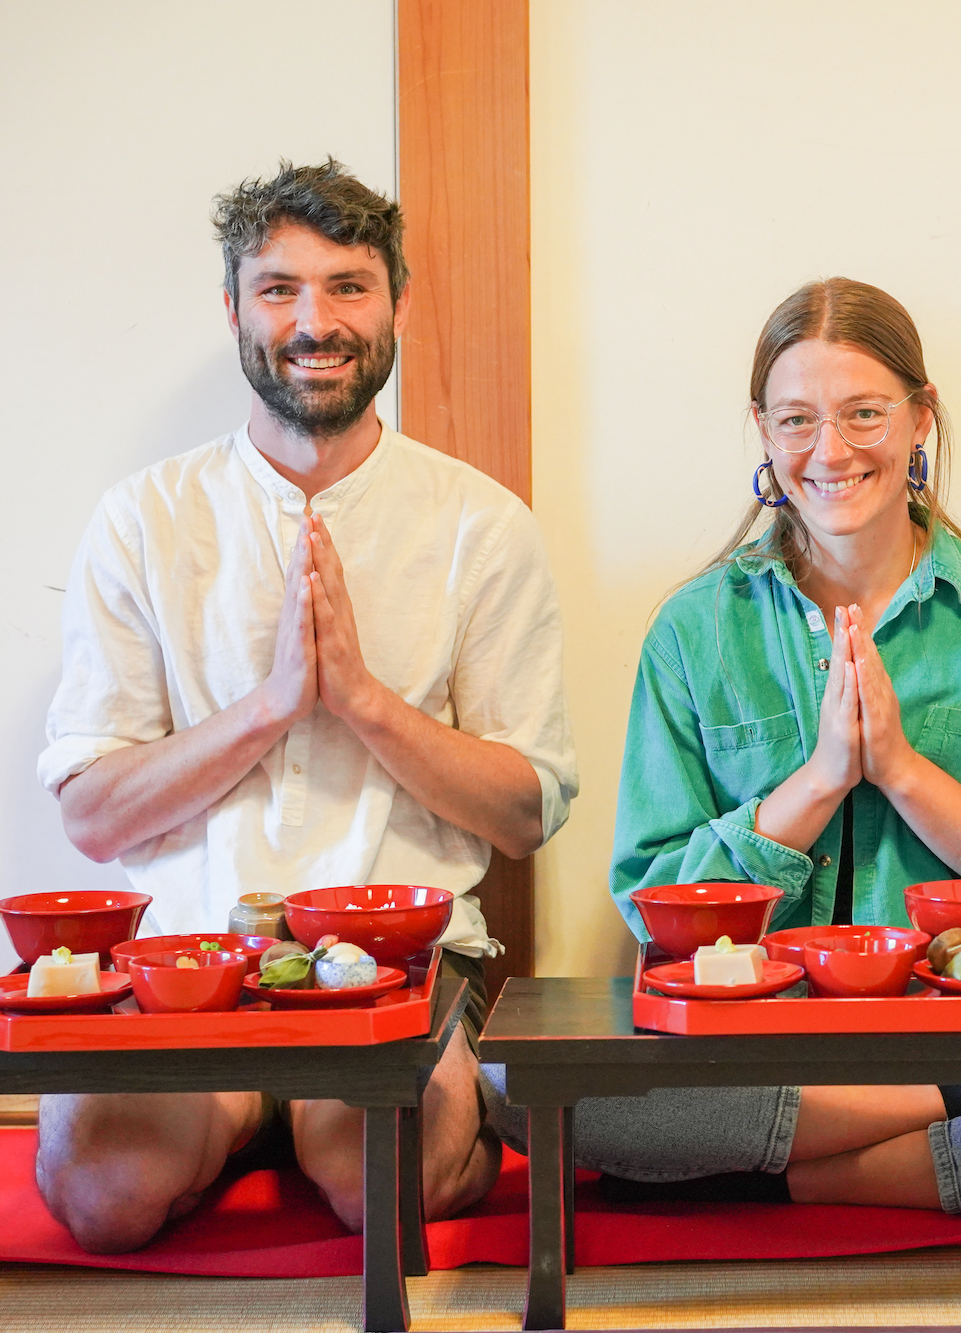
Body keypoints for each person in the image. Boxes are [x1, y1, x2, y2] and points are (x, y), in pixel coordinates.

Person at [489, 279, 961, 1215]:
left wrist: (899, 767)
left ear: (920, 420)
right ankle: (927, 1134)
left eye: (864, 413)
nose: (832, 449)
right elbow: (656, 904)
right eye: (798, 419)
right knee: (512, 1086)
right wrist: (816, 784)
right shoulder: (694, 630)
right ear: (765, 433)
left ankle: (817, 1172)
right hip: (756, 1047)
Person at [34, 159, 578, 1251]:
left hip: (405, 962)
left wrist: (366, 703)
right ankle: (239, 1119)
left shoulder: (482, 524)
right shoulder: (144, 517)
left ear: (397, 305)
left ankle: (380, 1115)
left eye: (347, 286)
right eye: (279, 288)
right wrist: (271, 706)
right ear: (233, 308)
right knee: (105, 1195)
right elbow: (91, 817)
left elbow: (527, 811)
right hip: (188, 959)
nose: (313, 321)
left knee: (390, 1184)